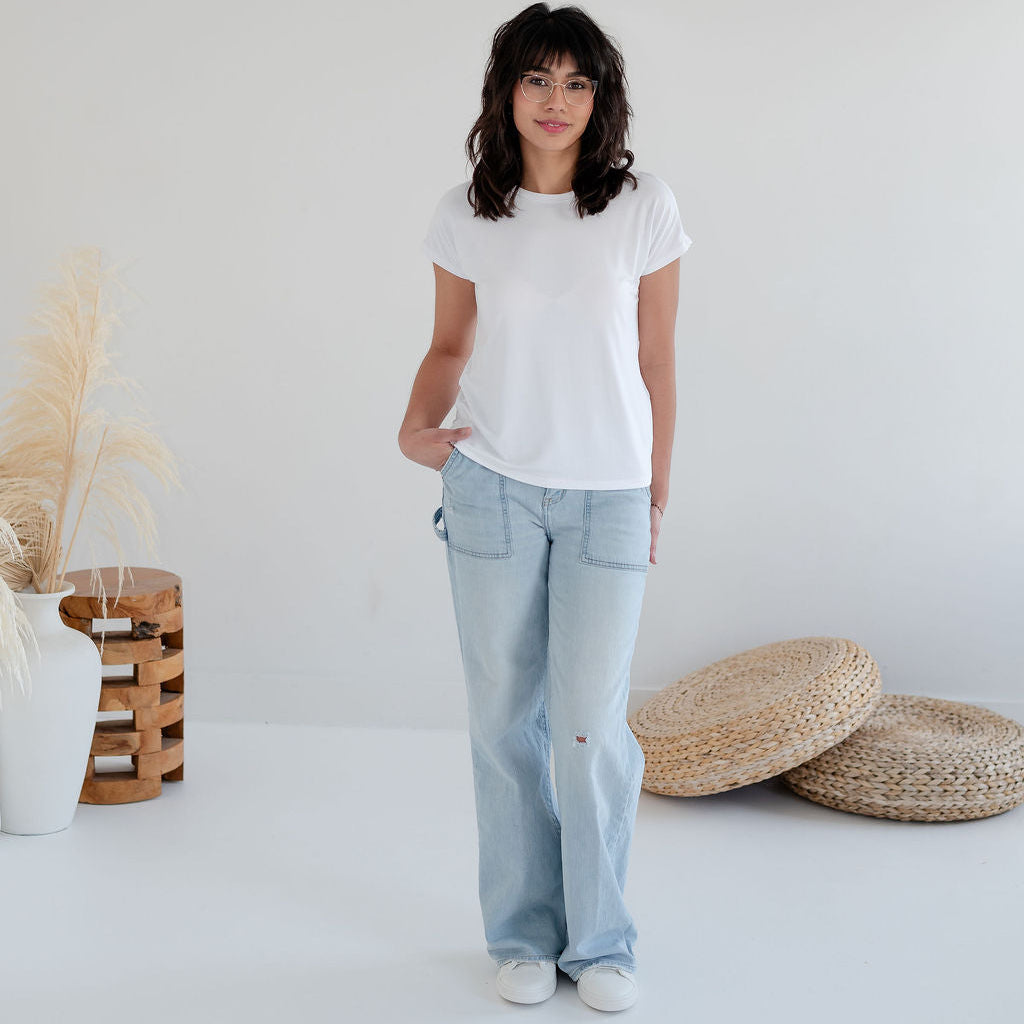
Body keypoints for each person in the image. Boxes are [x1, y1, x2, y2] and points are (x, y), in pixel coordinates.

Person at [398, 2, 691, 1013]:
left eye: (577, 82)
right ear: (505, 92)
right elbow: (448, 346)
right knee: (502, 719)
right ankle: (522, 935)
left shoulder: (642, 206)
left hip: (608, 493)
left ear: (600, 96)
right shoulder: (465, 211)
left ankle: (602, 941)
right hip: (492, 488)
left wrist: (654, 486)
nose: (556, 101)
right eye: (537, 80)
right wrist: (412, 428)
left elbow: (655, 359)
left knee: (587, 725)